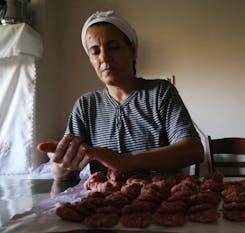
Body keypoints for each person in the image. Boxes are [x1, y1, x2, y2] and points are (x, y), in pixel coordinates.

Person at [37, 10, 204, 181]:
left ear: (133, 51)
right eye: (95, 52)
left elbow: (193, 150)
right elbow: (62, 174)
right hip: (107, 203)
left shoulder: (160, 92)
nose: (104, 57)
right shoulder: (86, 105)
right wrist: (61, 163)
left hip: (161, 201)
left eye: (113, 47)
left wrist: (129, 161)